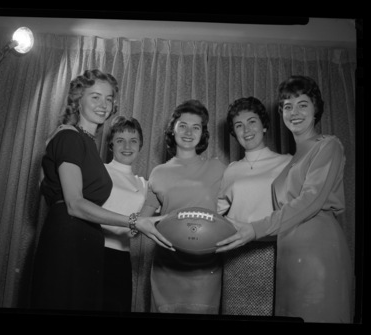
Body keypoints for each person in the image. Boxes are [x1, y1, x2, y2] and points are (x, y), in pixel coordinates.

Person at [31, 69, 172, 312]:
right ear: (78, 99)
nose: (103, 104)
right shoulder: (70, 137)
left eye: (108, 99)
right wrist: (133, 222)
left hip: (84, 240)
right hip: (69, 240)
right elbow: (74, 203)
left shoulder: (84, 142)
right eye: (95, 97)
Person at [216, 75, 353, 323]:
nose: (295, 112)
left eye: (303, 104)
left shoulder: (328, 145)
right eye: (287, 107)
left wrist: (255, 229)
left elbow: (310, 200)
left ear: (316, 109)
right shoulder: (291, 161)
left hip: (317, 247)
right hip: (287, 251)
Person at [139, 99, 226, 314]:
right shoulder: (158, 172)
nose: (188, 132)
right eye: (182, 125)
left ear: (202, 133)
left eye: (196, 127)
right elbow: (142, 219)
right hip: (166, 265)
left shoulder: (218, 168)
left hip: (205, 269)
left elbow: (234, 211)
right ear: (173, 130)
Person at [217, 96, 291, 315]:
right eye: (239, 125)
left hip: (274, 251)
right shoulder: (231, 170)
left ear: (264, 125)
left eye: (252, 121)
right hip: (236, 256)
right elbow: (216, 213)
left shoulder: (287, 162)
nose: (246, 129)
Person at [100, 115, 147, 312]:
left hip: (121, 259)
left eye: (133, 140)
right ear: (111, 144)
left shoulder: (144, 184)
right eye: (120, 140)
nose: (127, 145)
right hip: (93, 253)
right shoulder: (98, 171)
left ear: (140, 145)